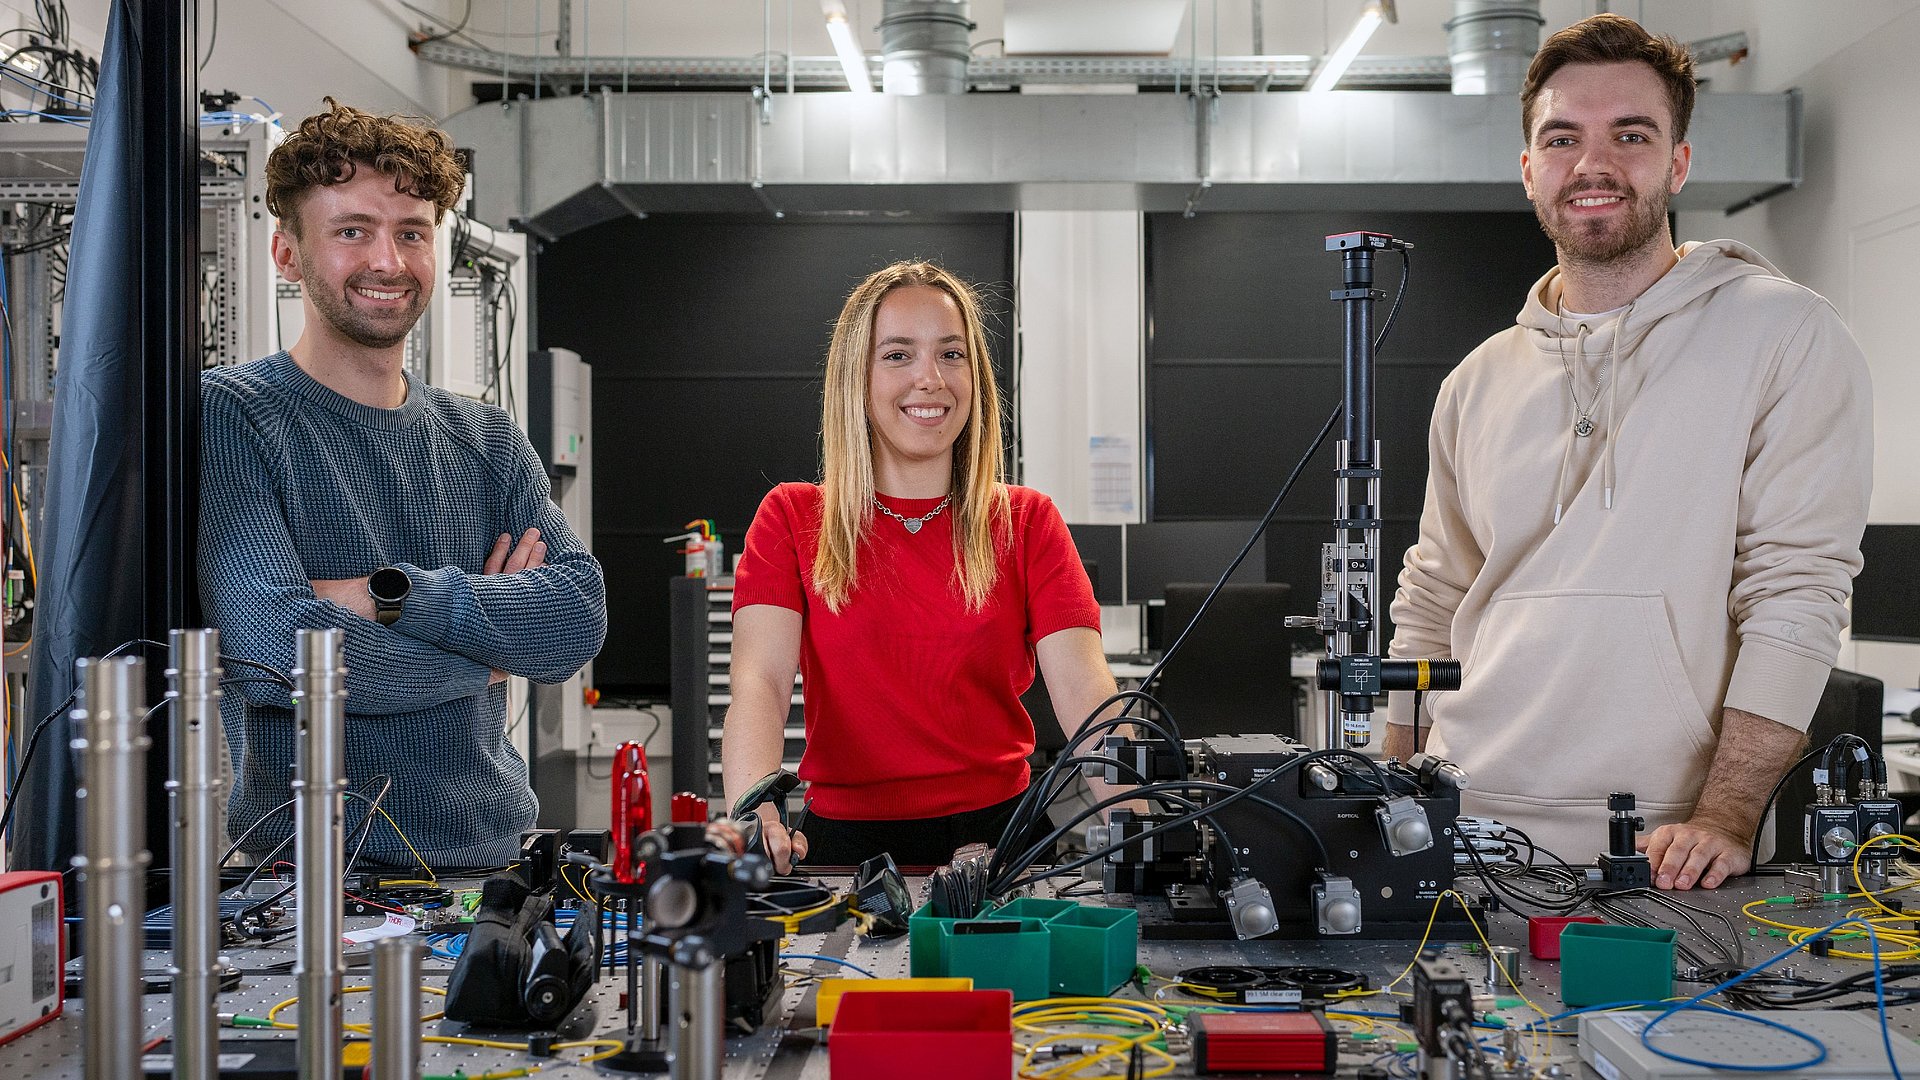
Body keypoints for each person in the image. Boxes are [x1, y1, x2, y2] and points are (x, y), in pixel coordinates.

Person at [1384, 15, 1871, 891]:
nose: (1592, 163)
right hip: (1463, 817)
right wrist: (1387, 783)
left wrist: (1729, 811)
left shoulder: (1785, 333)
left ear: (1678, 162)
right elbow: (1435, 593)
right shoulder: (1477, 378)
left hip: (1664, 847)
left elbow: (1796, 592)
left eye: (1631, 135)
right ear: (1530, 169)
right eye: (1562, 137)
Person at [199, 100, 607, 869]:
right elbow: (269, 646)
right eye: (352, 231)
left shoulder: (485, 438)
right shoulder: (232, 415)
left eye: (411, 232)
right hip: (307, 884)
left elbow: (576, 617)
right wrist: (486, 655)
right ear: (287, 254)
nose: (388, 261)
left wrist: (392, 598)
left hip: (493, 864)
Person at [723, 261, 1122, 872]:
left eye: (951, 354)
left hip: (1000, 842)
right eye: (898, 355)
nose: (930, 379)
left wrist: (1151, 835)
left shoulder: (1027, 521)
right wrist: (754, 808)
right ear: (857, 377)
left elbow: (1090, 700)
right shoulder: (791, 518)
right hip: (843, 850)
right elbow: (760, 683)